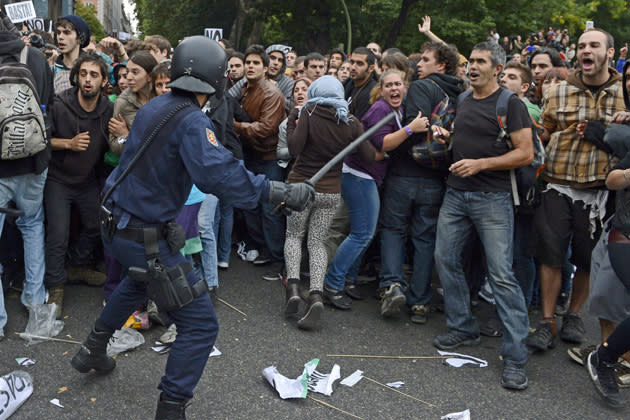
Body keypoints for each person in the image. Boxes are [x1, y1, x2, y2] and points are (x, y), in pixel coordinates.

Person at [70, 36, 314, 420]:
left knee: (137, 284)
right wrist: (278, 192)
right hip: (141, 234)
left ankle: (92, 350)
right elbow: (221, 175)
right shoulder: (192, 121)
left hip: (117, 224)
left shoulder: (157, 106)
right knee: (201, 325)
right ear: (216, 79)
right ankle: (171, 409)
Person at [433, 42, 533, 390]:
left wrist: (481, 164)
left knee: (502, 275)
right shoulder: (462, 100)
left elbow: (525, 153)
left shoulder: (511, 104)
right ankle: (463, 329)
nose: (471, 67)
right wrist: (447, 138)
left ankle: (516, 356)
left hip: (493, 198)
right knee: (445, 259)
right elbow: (465, 139)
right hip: (455, 193)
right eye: (470, 62)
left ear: (496, 68)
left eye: (480, 62)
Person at [526, 28, 626, 352]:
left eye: (594, 45)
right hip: (558, 183)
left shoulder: (624, 93)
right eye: (582, 46)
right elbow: (545, 131)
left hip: (601, 191)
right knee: (551, 254)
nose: (586, 50)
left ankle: (573, 315)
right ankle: (546, 320)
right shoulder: (559, 91)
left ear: (610, 53)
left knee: (585, 259)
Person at [324, 70, 427, 310]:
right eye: (388, 85)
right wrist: (411, 129)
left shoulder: (396, 109)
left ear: (405, 87)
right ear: (381, 90)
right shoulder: (381, 109)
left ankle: (345, 280)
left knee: (360, 233)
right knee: (362, 234)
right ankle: (333, 283)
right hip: (360, 176)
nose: (394, 89)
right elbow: (383, 143)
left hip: (365, 175)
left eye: (398, 84)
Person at [378, 42, 462, 322]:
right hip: (437, 178)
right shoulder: (462, 93)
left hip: (404, 173)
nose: (419, 64)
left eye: (425, 59)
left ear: (441, 66)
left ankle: (392, 287)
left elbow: (414, 128)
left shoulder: (422, 88)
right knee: (425, 239)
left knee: (393, 230)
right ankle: (420, 302)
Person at [284, 75, 375, 329]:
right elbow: (368, 155)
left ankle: (292, 287)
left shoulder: (309, 113)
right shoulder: (351, 121)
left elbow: (294, 148)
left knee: (294, 237)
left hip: (301, 186)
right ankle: (315, 293)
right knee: (317, 242)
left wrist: (293, 119)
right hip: (331, 192)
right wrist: (358, 132)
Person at [45, 53, 115, 318]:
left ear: (103, 80)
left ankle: (75, 267)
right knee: (58, 236)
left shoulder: (108, 108)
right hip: (58, 180)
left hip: (86, 181)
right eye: (83, 74)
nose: (87, 80)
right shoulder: (60, 104)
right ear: (76, 77)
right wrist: (68, 143)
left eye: (94, 75)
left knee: (97, 226)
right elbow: (42, 139)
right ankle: (56, 288)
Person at [0, 16, 53, 340]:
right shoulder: (33, 55)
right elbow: (45, 105)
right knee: (32, 225)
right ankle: (34, 298)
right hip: (35, 160)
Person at [234, 44, 287, 278]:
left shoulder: (272, 94)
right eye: (248, 62)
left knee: (270, 209)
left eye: (256, 63)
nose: (250, 66)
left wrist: (233, 127)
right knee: (251, 205)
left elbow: (265, 129)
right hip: (251, 156)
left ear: (266, 68)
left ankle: (277, 259)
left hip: (269, 159)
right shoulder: (245, 89)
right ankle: (262, 248)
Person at [52, 15, 90, 94]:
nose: (60, 37)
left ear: (79, 38)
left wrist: (120, 50)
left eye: (67, 33)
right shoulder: (52, 71)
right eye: (58, 33)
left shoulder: (93, 67)